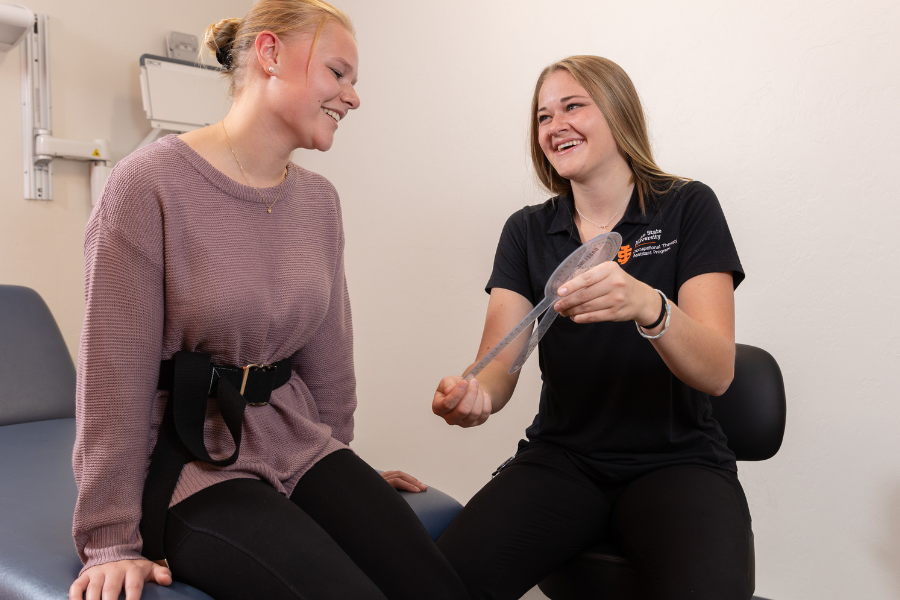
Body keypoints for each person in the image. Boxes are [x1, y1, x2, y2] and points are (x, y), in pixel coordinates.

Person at [69, 2, 469, 600]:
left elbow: (329, 363)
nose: (352, 97)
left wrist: (342, 471)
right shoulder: (146, 185)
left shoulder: (319, 201)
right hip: (189, 464)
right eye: (339, 73)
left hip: (295, 444)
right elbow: (112, 380)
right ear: (270, 54)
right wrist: (109, 541)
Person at [431, 55, 753, 600]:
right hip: (565, 460)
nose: (555, 126)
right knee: (438, 584)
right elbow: (497, 366)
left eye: (573, 106)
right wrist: (473, 396)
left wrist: (649, 305)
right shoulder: (528, 230)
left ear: (617, 111)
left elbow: (719, 371)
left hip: (677, 462)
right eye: (542, 116)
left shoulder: (686, 207)